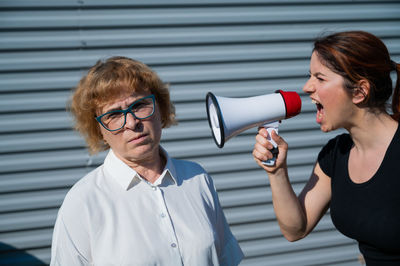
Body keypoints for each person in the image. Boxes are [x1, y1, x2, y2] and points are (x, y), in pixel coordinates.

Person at [50, 56, 243, 265]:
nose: (132, 122)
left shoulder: (197, 178)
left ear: (160, 108)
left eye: (139, 105)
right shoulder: (83, 203)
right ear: (100, 131)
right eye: (114, 114)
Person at [253, 31, 400, 265]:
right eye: (310, 76)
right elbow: (296, 229)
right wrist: (277, 172)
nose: (306, 87)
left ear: (360, 91)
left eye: (320, 79)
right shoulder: (335, 154)